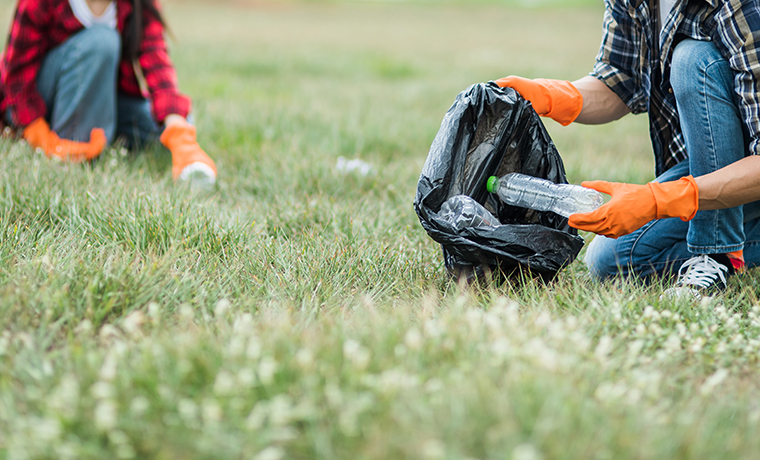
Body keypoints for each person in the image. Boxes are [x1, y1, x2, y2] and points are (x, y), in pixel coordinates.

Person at [495, 0, 760, 298]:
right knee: (614, 260)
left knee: (693, 59)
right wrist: (553, 96)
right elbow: (620, 80)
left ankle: (713, 254)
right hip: (727, 166)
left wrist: (661, 199)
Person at [0, 0, 217, 187]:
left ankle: (99, 135)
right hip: (40, 102)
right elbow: (15, 77)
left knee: (176, 121)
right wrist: (38, 133)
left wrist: (179, 134)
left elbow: (157, 67)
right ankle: (72, 148)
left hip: (102, 96)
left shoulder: (136, 5)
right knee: (102, 42)